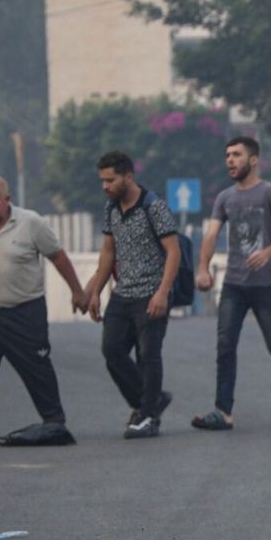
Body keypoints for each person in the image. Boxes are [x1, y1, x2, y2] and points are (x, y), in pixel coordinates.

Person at [0, 176, 87, 444]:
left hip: (26, 312)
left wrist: (78, 291)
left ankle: (54, 421)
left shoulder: (31, 223)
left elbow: (57, 256)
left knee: (37, 368)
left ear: (7, 200)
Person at [191, 137, 271, 430]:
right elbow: (210, 235)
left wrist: (268, 252)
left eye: (237, 155)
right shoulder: (225, 198)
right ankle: (223, 412)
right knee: (225, 345)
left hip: (265, 286)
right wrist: (202, 269)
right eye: (227, 155)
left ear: (253, 160)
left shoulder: (270, 192)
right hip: (234, 285)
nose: (230, 160)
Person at [84, 151, 181, 439]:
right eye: (102, 180)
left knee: (148, 356)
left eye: (110, 180)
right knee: (112, 351)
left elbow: (173, 252)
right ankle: (149, 402)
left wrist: (163, 293)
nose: (105, 186)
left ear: (128, 176)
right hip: (122, 294)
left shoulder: (154, 207)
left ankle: (148, 417)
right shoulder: (111, 208)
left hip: (151, 293)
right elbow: (108, 254)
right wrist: (95, 292)